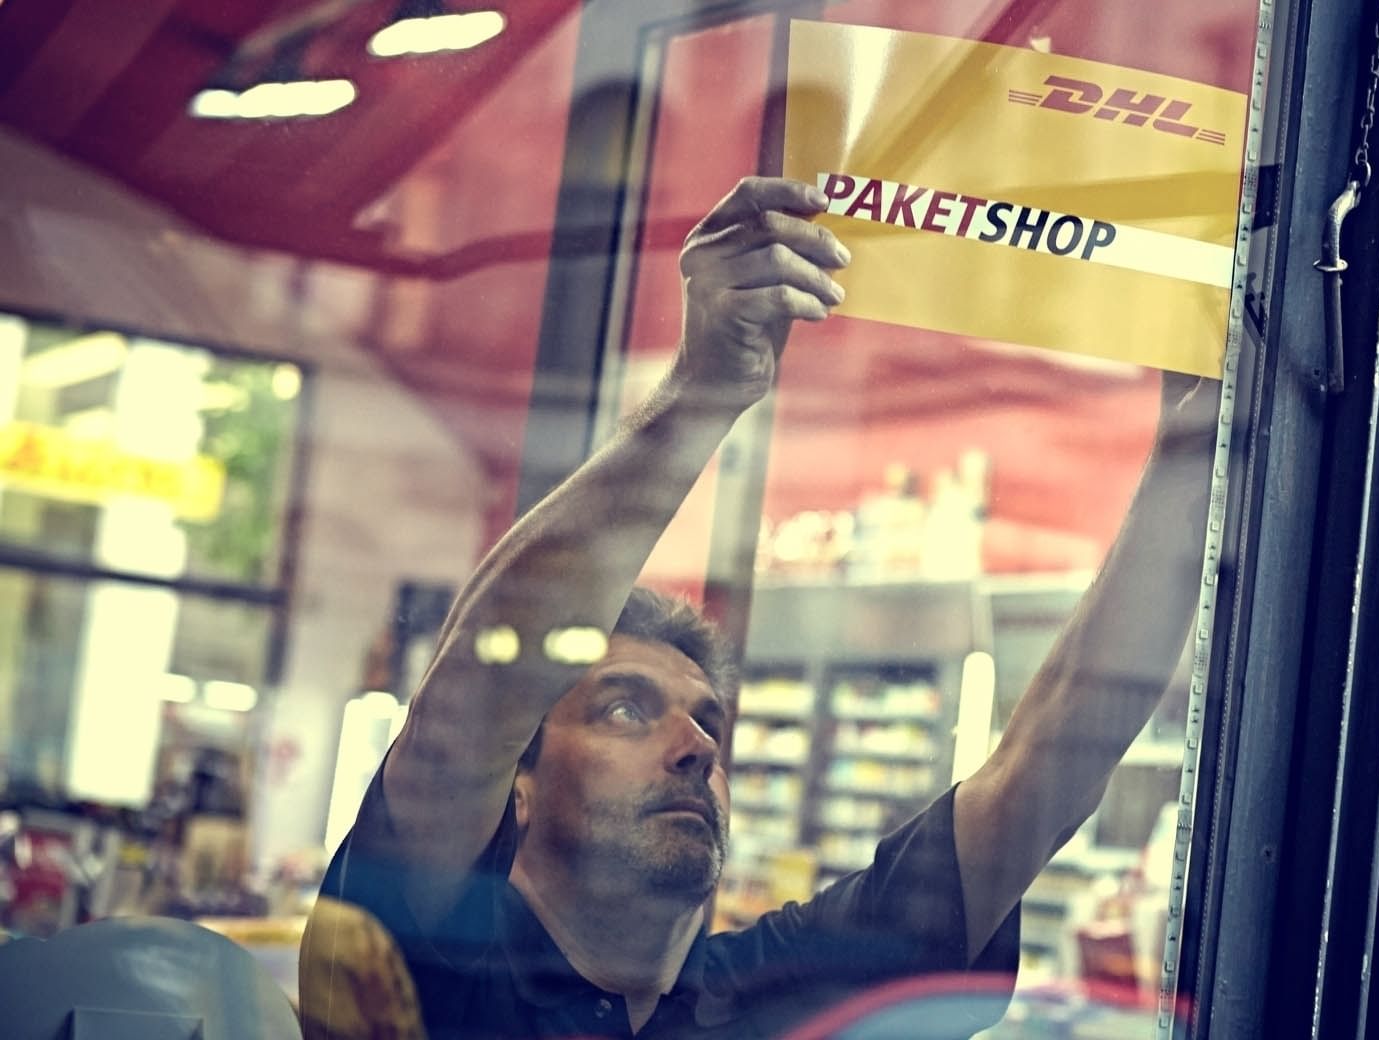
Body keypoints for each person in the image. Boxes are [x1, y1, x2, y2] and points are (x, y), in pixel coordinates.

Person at [299, 176, 1218, 1039]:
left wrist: (1191, 452)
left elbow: (1048, 764)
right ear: (518, 784)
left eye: (708, 722)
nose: (698, 746)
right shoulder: (428, 975)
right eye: (625, 707)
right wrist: (702, 392)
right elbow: (470, 697)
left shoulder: (779, 993)